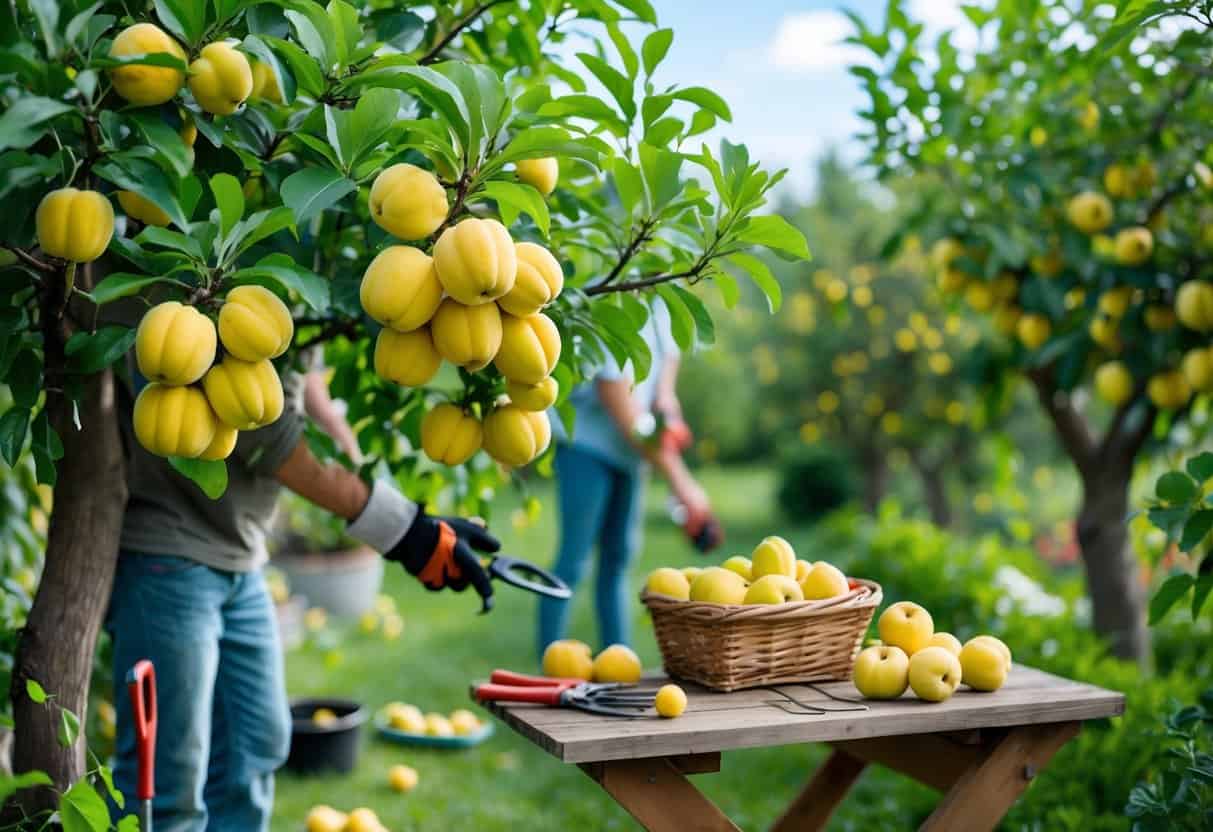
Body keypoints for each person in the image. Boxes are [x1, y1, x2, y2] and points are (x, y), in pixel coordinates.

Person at [108, 359, 498, 832]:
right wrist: (402, 530)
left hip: (242, 552)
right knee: (168, 781)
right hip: (167, 552)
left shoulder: (287, 301)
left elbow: (304, 393)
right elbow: (268, 435)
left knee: (255, 749)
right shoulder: (204, 298)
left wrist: (401, 516)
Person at [537, 304, 717, 654]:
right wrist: (682, 483)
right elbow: (616, 398)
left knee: (619, 557)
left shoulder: (662, 286)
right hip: (588, 445)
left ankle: (620, 664)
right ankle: (549, 662)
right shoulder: (617, 296)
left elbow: (670, 349)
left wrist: (664, 397)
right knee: (574, 559)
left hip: (632, 452)